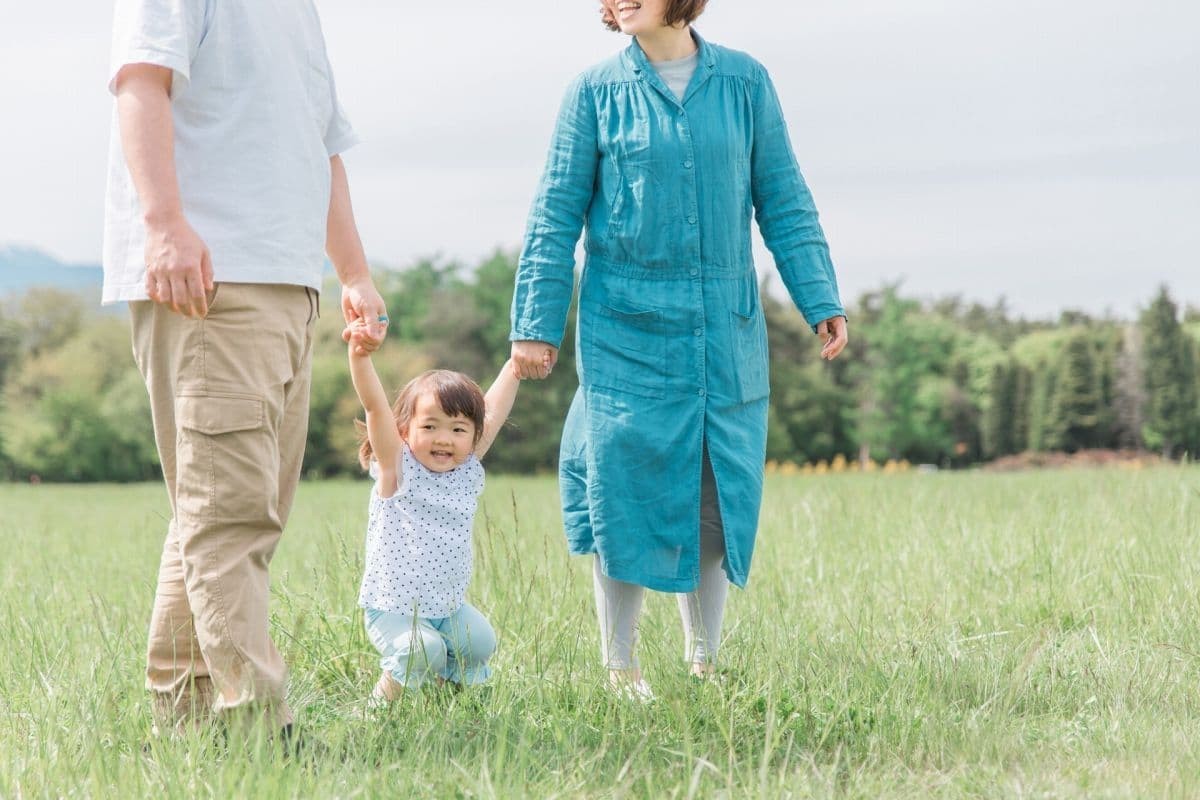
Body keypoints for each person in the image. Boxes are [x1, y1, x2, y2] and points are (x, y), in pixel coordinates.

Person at [510, 0, 849, 699]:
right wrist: (536, 322)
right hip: (624, 332)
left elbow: (783, 197)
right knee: (620, 495)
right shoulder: (592, 92)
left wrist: (819, 297)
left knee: (714, 498)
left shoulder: (746, 82)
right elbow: (554, 212)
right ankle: (620, 667)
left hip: (723, 329)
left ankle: (704, 663)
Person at [104, 0, 387, 737]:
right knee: (228, 517)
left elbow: (322, 147)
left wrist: (352, 271)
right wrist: (163, 225)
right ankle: (258, 730)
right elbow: (140, 82)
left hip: (289, 284)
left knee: (225, 511)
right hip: (208, 279)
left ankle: (187, 722)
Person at [347, 320, 532, 702]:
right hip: (393, 609)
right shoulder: (397, 469)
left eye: (458, 429)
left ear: (472, 436)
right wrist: (360, 358)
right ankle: (377, 711)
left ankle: (445, 703)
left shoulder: (465, 470)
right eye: (430, 426)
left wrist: (513, 367)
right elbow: (375, 407)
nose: (444, 438)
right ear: (405, 430)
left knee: (480, 643)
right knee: (423, 650)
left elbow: (492, 412)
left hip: (446, 607)